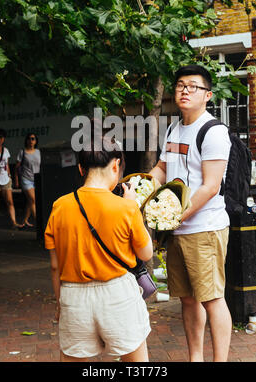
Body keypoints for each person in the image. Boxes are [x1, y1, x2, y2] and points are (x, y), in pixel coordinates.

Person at [44, 134, 153, 362]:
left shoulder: (59, 206)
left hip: (73, 298)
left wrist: (59, 303)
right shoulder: (126, 208)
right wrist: (133, 206)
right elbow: (146, 254)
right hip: (118, 295)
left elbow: (55, 267)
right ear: (116, 165)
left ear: (81, 169)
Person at [150, 64, 232, 362]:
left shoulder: (214, 131)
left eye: (193, 86)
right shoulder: (174, 127)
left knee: (212, 299)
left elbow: (210, 186)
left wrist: (174, 216)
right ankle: (194, 358)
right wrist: (141, 189)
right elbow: (162, 169)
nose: (185, 90)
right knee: (187, 299)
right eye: (180, 85)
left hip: (204, 227)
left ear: (207, 95)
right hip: (178, 228)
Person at [15, 133, 41, 227]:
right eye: (29, 139)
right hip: (26, 179)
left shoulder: (38, 152)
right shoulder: (22, 152)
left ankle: (24, 221)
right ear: (26, 140)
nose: (31, 141)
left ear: (36, 141)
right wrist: (17, 179)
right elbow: (17, 167)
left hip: (36, 179)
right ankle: (39, 223)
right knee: (33, 200)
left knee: (30, 201)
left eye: (33, 139)